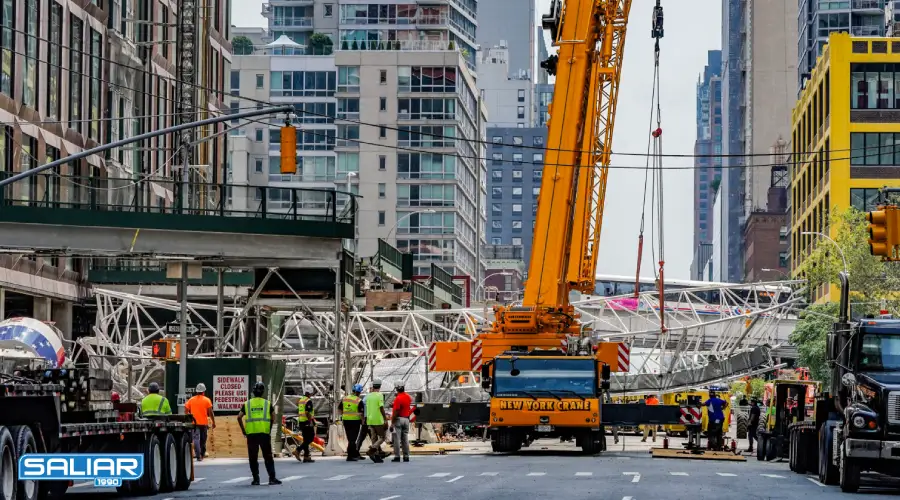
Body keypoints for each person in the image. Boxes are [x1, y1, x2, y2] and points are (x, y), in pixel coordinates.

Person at [237, 382, 281, 486]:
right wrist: (269, 429)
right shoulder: (267, 403)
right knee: (268, 457)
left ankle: (256, 479)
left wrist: (244, 430)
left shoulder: (247, 404)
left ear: (253, 391)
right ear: (263, 392)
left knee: (253, 458)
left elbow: (239, 417)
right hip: (264, 434)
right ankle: (272, 478)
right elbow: (273, 417)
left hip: (251, 434)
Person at [185, 383, 215, 461]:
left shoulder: (191, 400)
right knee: (203, 439)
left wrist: (189, 417)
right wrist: (213, 422)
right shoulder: (207, 400)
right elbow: (210, 412)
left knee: (196, 439)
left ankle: (198, 455)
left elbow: (186, 410)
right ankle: (201, 454)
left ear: (196, 391)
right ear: (203, 391)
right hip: (203, 423)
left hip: (194, 424)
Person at [365, 380, 387, 463]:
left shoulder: (368, 396)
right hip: (378, 419)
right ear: (380, 386)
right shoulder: (380, 395)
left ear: (373, 386)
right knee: (382, 437)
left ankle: (377, 456)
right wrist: (385, 419)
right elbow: (381, 407)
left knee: (374, 438)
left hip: (370, 420)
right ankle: (372, 449)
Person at [390, 382, 412, 463]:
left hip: (398, 420)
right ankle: (406, 456)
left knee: (396, 439)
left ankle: (397, 456)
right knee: (405, 439)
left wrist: (392, 423)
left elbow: (396, 411)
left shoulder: (398, 398)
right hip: (406, 419)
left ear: (396, 388)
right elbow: (405, 406)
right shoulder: (408, 397)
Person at [342, 384, 364, 461]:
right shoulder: (359, 400)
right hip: (355, 421)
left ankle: (355, 454)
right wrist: (363, 422)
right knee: (352, 439)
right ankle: (350, 456)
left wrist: (345, 414)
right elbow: (361, 413)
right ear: (359, 392)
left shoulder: (345, 398)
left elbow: (339, 409)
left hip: (346, 421)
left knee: (350, 438)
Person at [296, 386, 316, 463]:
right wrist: (311, 421)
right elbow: (307, 412)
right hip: (307, 422)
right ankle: (298, 450)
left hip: (301, 421)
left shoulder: (301, 400)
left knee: (305, 439)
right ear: (310, 392)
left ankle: (306, 456)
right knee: (310, 438)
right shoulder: (308, 401)